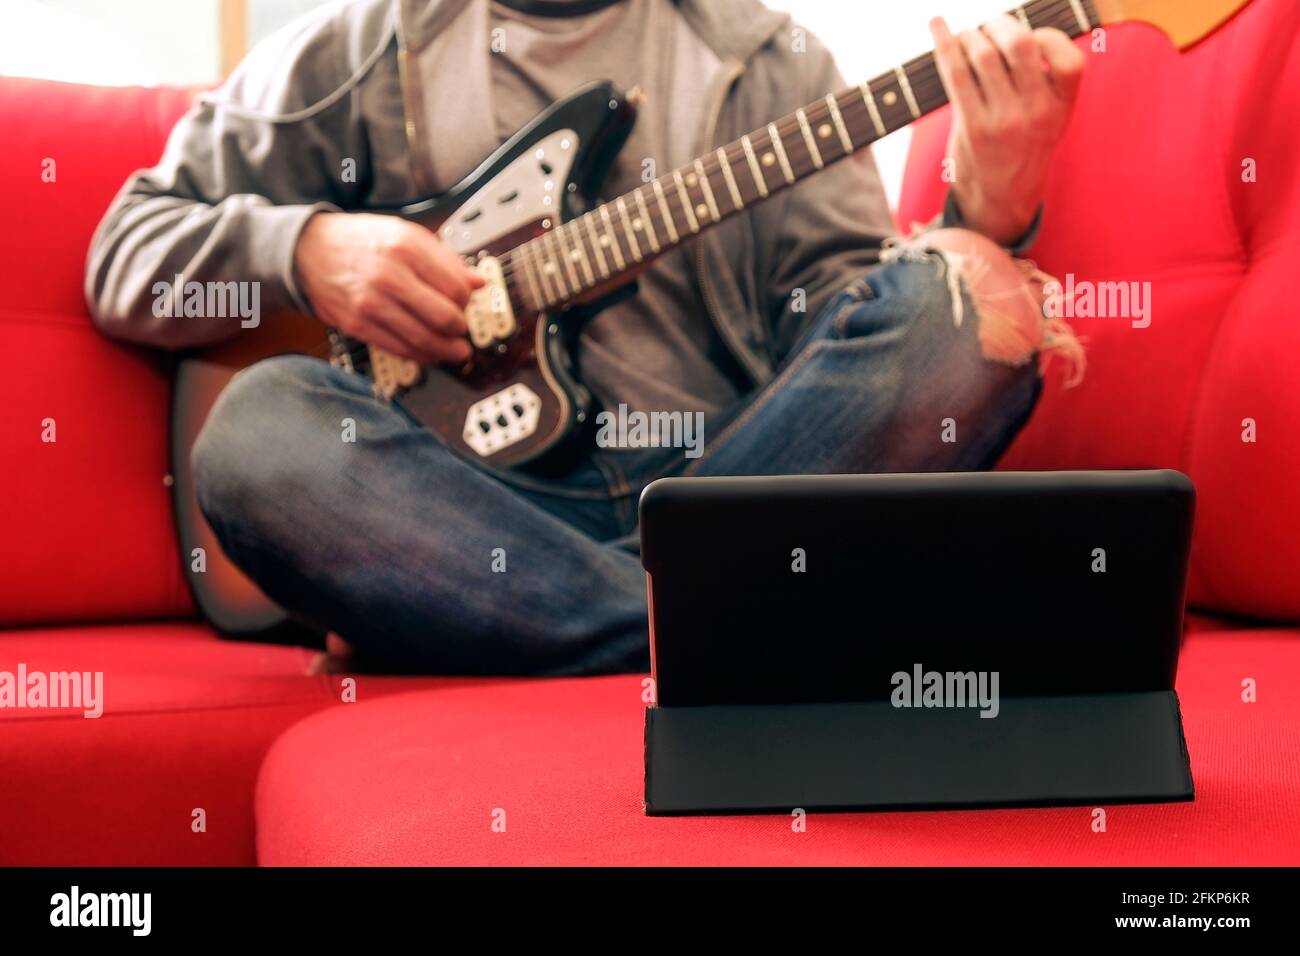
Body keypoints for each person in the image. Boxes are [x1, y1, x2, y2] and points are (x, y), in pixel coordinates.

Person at [85, 0, 1086, 674]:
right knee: (259, 433)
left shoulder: (766, 55)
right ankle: (712, 630)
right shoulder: (347, 55)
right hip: (461, 515)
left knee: (958, 303)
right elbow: (123, 251)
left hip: (727, 483)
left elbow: (847, 335)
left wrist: (985, 210)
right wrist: (306, 249)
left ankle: (619, 623)